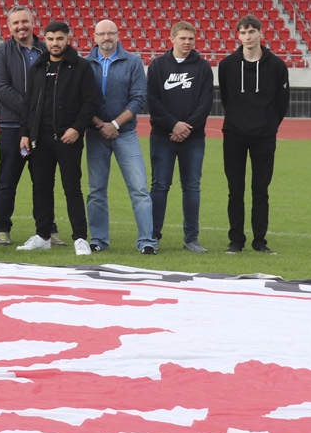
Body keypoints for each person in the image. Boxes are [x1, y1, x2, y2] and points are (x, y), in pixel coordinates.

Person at [16, 20, 99, 255]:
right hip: (40, 140)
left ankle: (80, 238)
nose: (55, 43)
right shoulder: (38, 67)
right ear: (45, 40)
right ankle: (43, 235)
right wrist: (25, 133)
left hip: (68, 139)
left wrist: (77, 128)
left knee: (72, 188)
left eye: (60, 39)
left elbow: (90, 102)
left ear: (68, 39)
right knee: (41, 188)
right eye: (51, 39)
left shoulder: (81, 67)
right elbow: (28, 104)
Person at [219, 14, 290, 255]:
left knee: (260, 190)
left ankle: (260, 241)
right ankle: (236, 240)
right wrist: (237, 120)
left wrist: (268, 126)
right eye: (243, 32)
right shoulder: (227, 65)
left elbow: (282, 102)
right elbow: (226, 98)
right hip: (234, 135)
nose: (247, 37)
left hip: (264, 137)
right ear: (238, 35)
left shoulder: (277, 66)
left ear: (260, 33)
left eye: (251, 31)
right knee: (235, 190)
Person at [84, 19, 154, 254]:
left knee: (139, 189)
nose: (107, 37)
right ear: (94, 37)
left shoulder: (133, 62)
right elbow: (81, 100)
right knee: (96, 191)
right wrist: (100, 125)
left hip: (125, 134)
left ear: (118, 35)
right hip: (95, 135)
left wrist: (114, 124)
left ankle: (147, 241)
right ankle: (98, 239)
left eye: (111, 33)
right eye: (102, 33)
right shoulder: (85, 64)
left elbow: (139, 98)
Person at [148, 20, 215, 256]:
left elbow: (206, 102)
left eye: (191, 39)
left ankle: (191, 238)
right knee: (159, 186)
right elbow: (153, 101)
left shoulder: (203, 68)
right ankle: (152, 236)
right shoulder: (158, 66)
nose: (187, 42)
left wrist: (186, 127)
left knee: (192, 187)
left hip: (193, 138)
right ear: (172, 39)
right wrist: (173, 124)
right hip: (162, 136)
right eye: (183, 38)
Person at [0, 5, 47, 247]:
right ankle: (1, 229)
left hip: (43, 129)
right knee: (8, 179)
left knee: (43, 182)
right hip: (13, 127)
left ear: (33, 23)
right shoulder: (1, 52)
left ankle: (47, 229)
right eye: (16, 23)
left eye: (25, 21)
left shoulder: (47, 49)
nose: (21, 26)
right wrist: (32, 110)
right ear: (9, 27)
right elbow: (2, 89)